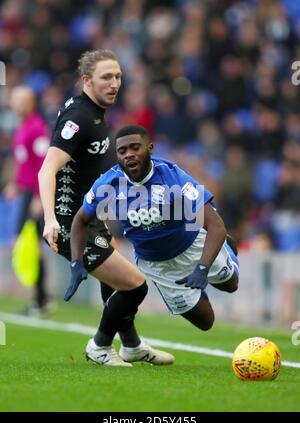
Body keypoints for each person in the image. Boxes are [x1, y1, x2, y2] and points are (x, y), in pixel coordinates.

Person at [38, 50, 174, 367]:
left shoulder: (94, 112)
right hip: (71, 223)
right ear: (87, 80)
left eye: (118, 77)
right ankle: (99, 346)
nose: (114, 84)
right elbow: (47, 170)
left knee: (115, 281)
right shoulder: (80, 118)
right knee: (135, 285)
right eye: (106, 78)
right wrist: (49, 220)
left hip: (89, 217)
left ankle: (132, 346)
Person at [69, 125, 239, 334]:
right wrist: (77, 262)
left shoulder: (173, 176)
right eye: (122, 151)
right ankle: (193, 288)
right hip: (158, 265)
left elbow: (216, 225)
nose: (129, 154)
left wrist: (202, 268)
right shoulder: (107, 184)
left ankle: (226, 247)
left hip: (193, 244)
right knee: (206, 322)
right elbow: (79, 220)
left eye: (135, 148)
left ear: (149, 148)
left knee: (230, 285)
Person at [4, 86, 52, 315]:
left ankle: (41, 300)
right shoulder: (21, 128)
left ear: (31, 103)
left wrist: (37, 196)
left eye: (23, 100)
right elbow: (23, 161)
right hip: (24, 192)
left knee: (30, 245)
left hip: (34, 194)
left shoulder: (36, 128)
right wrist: (14, 183)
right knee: (28, 245)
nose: (19, 104)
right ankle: (40, 299)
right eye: (16, 100)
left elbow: (44, 163)